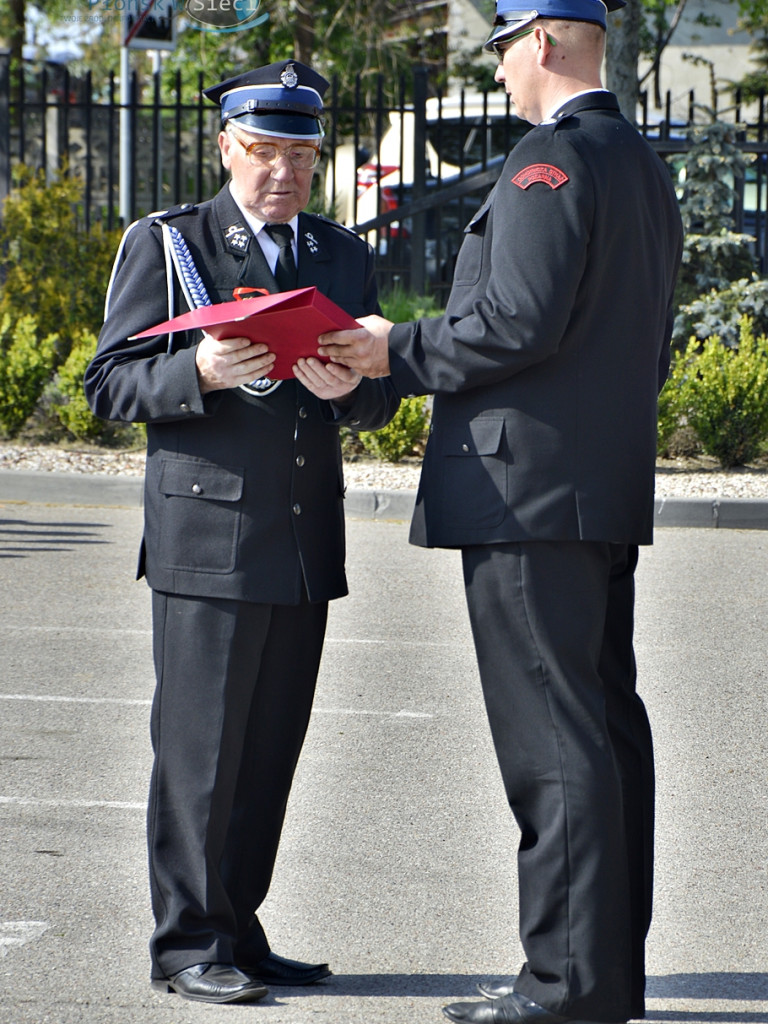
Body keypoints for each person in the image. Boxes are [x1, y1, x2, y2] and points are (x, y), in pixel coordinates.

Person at [317, 3, 684, 1023]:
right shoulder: (643, 166)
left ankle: (564, 987)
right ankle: (603, 977)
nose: (502, 75)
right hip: (596, 487)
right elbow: (642, 344)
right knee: (606, 732)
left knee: (556, 748)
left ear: (546, 43)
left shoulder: (547, 163)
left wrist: (399, 347)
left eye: (505, 51)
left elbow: (515, 320)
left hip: (525, 494)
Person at [84, 59, 398, 1005]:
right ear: (227, 146)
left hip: (302, 543)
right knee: (200, 756)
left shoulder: (339, 255)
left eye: (301, 154)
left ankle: (240, 929)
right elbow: (106, 384)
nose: (283, 173)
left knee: (267, 752)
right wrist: (202, 373)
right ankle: (187, 944)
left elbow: (372, 397)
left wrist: (360, 394)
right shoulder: (171, 244)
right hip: (206, 543)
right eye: (265, 152)